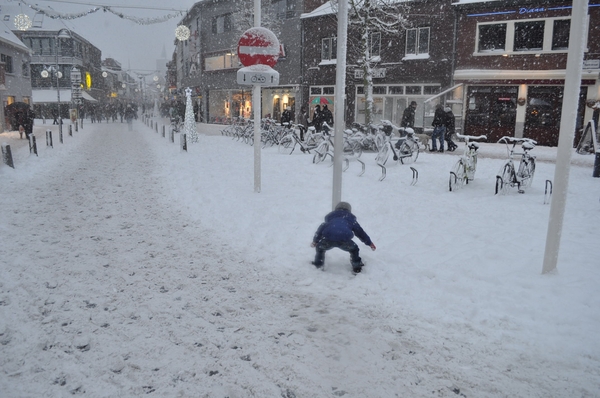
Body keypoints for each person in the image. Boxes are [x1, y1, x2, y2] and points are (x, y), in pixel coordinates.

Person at [311, 201, 376, 274]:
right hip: (344, 240)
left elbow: (320, 230)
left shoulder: (330, 219)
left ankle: (318, 264)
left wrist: (315, 241)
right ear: (349, 210)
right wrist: (369, 243)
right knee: (354, 249)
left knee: (320, 248)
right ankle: (357, 266)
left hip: (328, 240)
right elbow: (360, 232)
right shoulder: (351, 219)